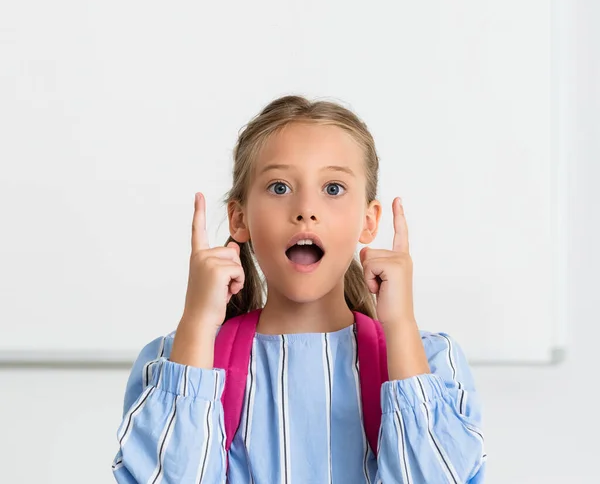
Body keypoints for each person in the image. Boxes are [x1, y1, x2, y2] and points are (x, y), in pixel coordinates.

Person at [112, 94, 486, 483]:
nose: (306, 209)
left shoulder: (432, 362)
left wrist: (400, 326)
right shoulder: (175, 362)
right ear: (239, 220)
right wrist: (198, 323)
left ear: (369, 221)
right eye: (278, 187)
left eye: (334, 188)